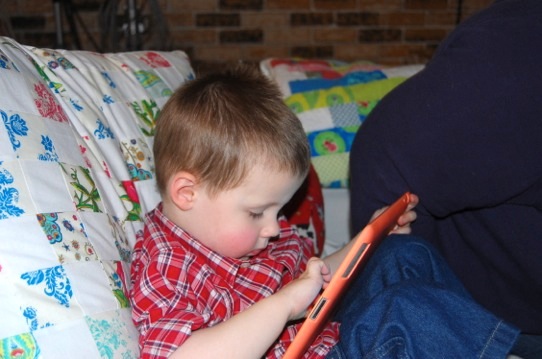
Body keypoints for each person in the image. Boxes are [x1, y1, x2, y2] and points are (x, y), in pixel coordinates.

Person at [129, 64, 519, 359]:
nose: (275, 227)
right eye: (257, 212)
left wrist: (365, 240)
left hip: (325, 333)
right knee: (400, 313)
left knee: (403, 255)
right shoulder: (165, 264)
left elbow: (319, 280)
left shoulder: (241, 235)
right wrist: (282, 306)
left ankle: (483, 343)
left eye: (277, 209)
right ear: (187, 193)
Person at [349, 0, 542, 357]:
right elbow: (389, 151)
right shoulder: (513, 63)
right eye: (257, 213)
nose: (269, 227)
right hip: (479, 309)